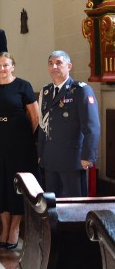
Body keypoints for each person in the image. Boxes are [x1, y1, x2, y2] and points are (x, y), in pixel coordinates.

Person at [0, 52, 39, 249]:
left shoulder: (23, 85)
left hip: (20, 143)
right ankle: (4, 227)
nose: (2, 69)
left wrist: (23, 136)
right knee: (0, 182)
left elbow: (34, 116)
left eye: (5, 65)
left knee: (16, 184)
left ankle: (15, 228)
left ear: (13, 66)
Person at [38, 50, 100, 197]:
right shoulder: (46, 92)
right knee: (53, 207)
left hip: (73, 160)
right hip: (51, 159)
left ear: (69, 66)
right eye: (51, 64)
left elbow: (92, 127)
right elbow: (43, 126)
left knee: (75, 206)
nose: (54, 67)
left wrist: (88, 156)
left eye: (59, 63)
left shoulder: (80, 90)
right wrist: (41, 153)